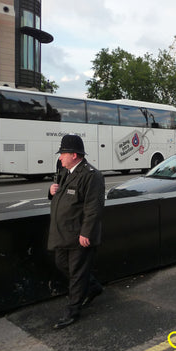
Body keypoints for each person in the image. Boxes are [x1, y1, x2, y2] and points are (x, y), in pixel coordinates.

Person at [48, 134, 105, 329]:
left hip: (79, 234)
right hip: (64, 233)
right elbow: (62, 196)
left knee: (77, 273)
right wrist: (51, 191)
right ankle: (93, 287)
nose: (60, 157)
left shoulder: (91, 175)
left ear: (74, 154)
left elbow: (93, 207)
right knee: (61, 263)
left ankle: (73, 310)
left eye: (62, 153)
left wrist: (86, 233)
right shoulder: (65, 172)